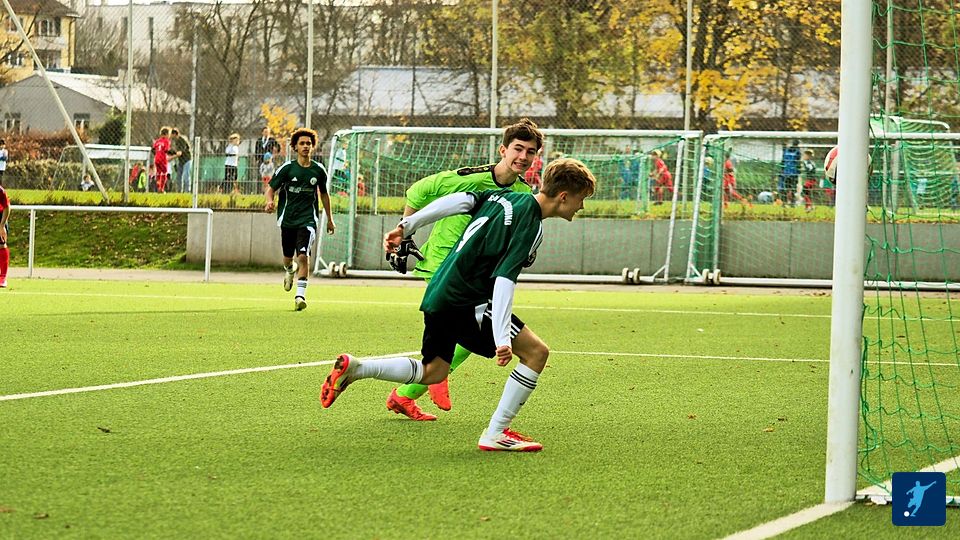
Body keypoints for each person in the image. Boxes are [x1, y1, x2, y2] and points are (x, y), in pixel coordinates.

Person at [319, 157, 597, 452]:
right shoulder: (529, 223)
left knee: (434, 371)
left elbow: (461, 200)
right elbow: (504, 279)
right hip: (467, 300)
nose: (581, 207)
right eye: (581, 199)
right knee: (536, 353)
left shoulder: (505, 197)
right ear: (563, 197)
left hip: (440, 291)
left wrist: (408, 225)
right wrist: (502, 336)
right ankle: (496, 433)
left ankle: (358, 368)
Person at [383, 117, 543, 422]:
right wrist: (405, 232)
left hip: (472, 271)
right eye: (518, 148)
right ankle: (425, 382)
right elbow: (417, 192)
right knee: (477, 328)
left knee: (477, 330)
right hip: (444, 264)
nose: (523, 156)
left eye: (530, 152)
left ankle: (411, 390)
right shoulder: (468, 179)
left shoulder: (524, 193)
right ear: (503, 150)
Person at [264, 127, 336, 311]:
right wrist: (270, 202)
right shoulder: (287, 169)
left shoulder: (318, 170)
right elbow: (270, 189)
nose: (305, 146)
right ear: (295, 147)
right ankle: (290, 270)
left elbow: (324, 194)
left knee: (303, 256)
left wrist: (330, 219)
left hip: (308, 220)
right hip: (288, 220)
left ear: (312, 147)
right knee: (288, 259)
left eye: (308, 143)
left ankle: (300, 296)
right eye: (302, 143)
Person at [170, 128, 192, 193]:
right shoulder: (176, 141)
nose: (171, 136)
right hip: (181, 161)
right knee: (178, 176)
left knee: (186, 176)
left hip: (187, 159)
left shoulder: (182, 140)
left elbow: (180, 153)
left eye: (172, 134)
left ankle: (187, 191)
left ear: (175, 134)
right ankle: (179, 191)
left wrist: (171, 158)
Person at [779, 139, 801, 204]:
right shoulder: (797, 151)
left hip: (787, 172)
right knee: (792, 188)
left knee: (787, 188)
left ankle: (786, 202)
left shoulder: (786, 151)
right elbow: (798, 162)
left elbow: (782, 161)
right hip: (792, 173)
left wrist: (781, 170)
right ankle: (791, 202)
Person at [151, 127, 172, 193]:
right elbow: (166, 150)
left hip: (157, 159)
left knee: (158, 172)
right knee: (164, 172)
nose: (169, 136)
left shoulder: (157, 141)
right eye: (169, 134)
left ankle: (158, 184)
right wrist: (173, 152)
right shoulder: (166, 141)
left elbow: (153, 149)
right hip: (163, 159)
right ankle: (161, 189)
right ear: (166, 134)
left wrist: (157, 154)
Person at [0, 181, 9, 288]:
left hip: (0, 217)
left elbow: (7, 207)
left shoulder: (0, 191)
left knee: (1, 245)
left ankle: (2, 277)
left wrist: (2, 225)